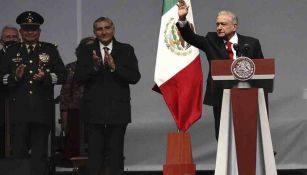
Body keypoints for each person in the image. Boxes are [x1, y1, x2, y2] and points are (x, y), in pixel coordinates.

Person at [176, 0, 265, 140]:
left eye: (223, 24)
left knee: (246, 135)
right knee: (223, 135)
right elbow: (190, 37)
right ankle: (225, 162)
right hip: (220, 95)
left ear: (234, 26)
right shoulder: (211, 40)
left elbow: (262, 70)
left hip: (246, 95)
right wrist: (182, 18)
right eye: (217, 24)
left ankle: (247, 159)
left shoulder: (252, 43)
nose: (219, 27)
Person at [0, 11, 66, 175]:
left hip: (42, 111)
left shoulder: (49, 50)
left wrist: (46, 78)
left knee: (40, 154)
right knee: (19, 153)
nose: (30, 32)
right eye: (26, 29)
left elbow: (63, 75)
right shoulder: (11, 51)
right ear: (21, 32)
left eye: (34, 29)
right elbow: (1, 78)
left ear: (39, 31)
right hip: (18, 112)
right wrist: (15, 77)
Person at [75, 17, 141, 175]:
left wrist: (115, 67)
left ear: (113, 29)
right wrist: (95, 67)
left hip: (118, 110)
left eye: (107, 28)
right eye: (99, 29)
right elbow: (79, 78)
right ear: (94, 32)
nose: (103, 32)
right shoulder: (86, 50)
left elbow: (135, 77)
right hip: (93, 111)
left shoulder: (126, 49)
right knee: (94, 155)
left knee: (116, 154)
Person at [59, 36, 94, 159]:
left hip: (97, 111)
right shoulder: (71, 68)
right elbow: (65, 93)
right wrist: (64, 114)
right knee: (76, 146)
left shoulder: (102, 67)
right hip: (75, 110)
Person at [0, 25, 20, 158]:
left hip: (22, 106)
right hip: (2, 106)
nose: (11, 39)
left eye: (14, 37)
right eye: (8, 37)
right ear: (1, 40)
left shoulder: (26, 57)